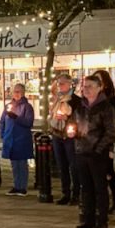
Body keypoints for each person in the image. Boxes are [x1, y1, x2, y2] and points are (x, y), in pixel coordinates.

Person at [72, 74, 115, 228]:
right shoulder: (80, 107)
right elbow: (74, 125)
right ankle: (88, 219)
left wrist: (99, 149)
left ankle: (102, 220)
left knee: (100, 187)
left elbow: (111, 131)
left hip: (98, 153)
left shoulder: (106, 107)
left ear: (99, 88)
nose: (87, 90)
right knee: (86, 188)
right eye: (85, 86)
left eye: (91, 86)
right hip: (82, 151)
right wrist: (73, 134)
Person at [48, 74, 82, 206]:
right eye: (58, 83)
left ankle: (76, 194)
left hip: (69, 136)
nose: (60, 86)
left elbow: (79, 117)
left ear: (69, 84)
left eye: (62, 83)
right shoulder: (57, 99)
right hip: (57, 134)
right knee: (62, 166)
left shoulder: (75, 100)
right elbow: (52, 113)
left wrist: (67, 119)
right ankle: (65, 193)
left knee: (73, 165)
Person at [93, 69, 115, 213]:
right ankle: (100, 199)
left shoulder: (111, 100)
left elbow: (112, 123)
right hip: (93, 140)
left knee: (108, 169)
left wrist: (110, 143)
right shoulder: (92, 99)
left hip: (106, 139)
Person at [0, 83, 34, 197]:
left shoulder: (27, 107)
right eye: (15, 91)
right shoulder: (8, 106)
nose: (16, 94)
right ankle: (16, 185)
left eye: (19, 92)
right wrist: (3, 134)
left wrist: (16, 117)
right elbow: (2, 121)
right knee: (14, 164)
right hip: (10, 138)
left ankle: (22, 187)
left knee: (22, 163)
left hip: (22, 138)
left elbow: (29, 123)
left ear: (23, 93)